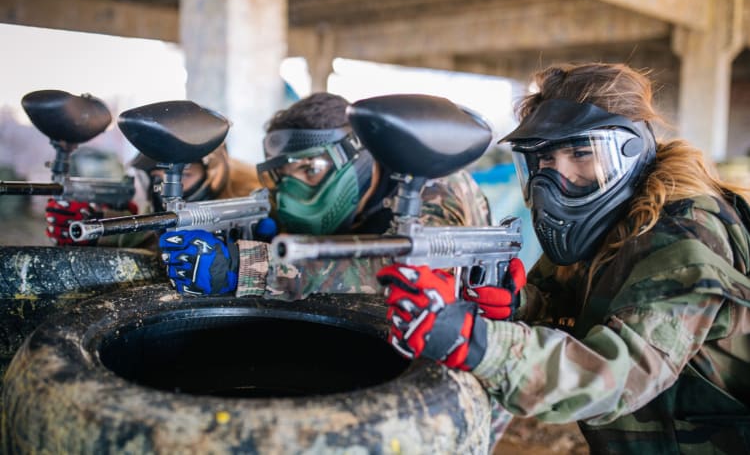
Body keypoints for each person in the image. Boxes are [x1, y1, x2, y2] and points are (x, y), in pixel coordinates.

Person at [376, 62, 750, 453]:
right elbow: (572, 308)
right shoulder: (605, 218)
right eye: (544, 160)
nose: (558, 178)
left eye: (580, 154)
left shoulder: (687, 234)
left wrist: (473, 340)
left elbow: (620, 372)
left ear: (632, 151)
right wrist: (517, 304)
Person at [158, 92, 495, 301]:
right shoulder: (338, 201)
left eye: (310, 170)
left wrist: (246, 264)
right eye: (282, 177)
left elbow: (406, 271)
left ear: (359, 159)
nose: (291, 196)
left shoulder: (429, 183)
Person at [45, 143, 262, 249]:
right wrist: (101, 226)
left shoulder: (250, 216)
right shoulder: (154, 208)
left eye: (183, 176)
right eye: (157, 180)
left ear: (212, 176)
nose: (164, 190)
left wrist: (236, 266)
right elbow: (156, 243)